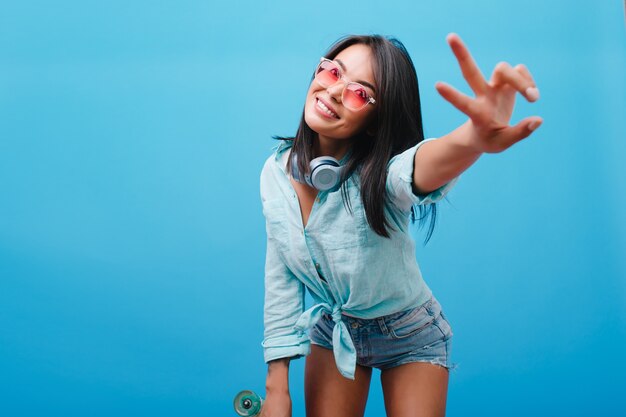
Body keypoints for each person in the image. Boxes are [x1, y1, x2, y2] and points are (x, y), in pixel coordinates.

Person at [258, 33, 541, 417]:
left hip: (408, 332)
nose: (337, 91)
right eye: (331, 72)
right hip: (335, 330)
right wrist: (277, 388)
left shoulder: (382, 178)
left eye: (361, 93)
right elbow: (282, 277)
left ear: (376, 121)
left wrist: (473, 137)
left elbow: (420, 167)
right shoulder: (275, 173)